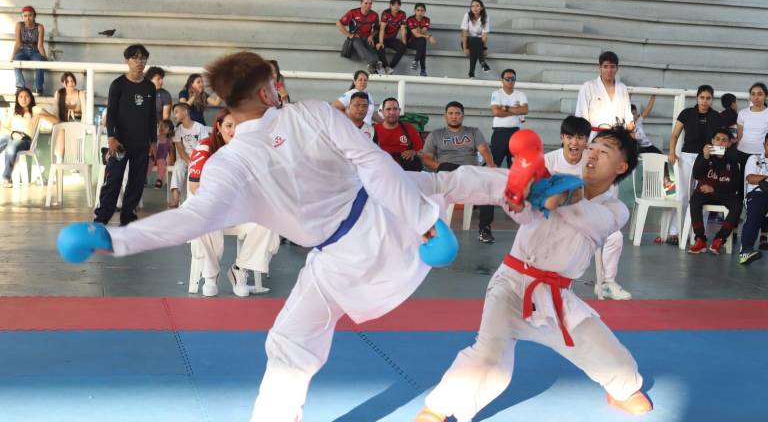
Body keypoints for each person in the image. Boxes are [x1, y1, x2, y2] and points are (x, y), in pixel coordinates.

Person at [62, 51, 515, 421]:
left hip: (342, 261)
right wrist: (424, 224)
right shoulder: (313, 113)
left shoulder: (229, 164)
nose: (279, 89)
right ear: (266, 90)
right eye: (275, 82)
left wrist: (114, 239)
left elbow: (190, 220)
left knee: (290, 345)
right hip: (389, 221)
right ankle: (525, 187)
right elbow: (377, 166)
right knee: (444, 184)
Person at [416, 126, 651, 422]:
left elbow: (590, 220)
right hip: (511, 286)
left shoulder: (616, 209)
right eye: (592, 148)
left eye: (604, 152)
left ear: (621, 167)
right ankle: (437, 409)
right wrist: (522, 194)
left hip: (557, 299)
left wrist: (558, 195)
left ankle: (622, 391)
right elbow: (521, 212)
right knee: (490, 359)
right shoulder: (553, 183)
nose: (592, 154)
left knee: (620, 368)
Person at [188, 109, 279, 297]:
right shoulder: (204, 148)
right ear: (219, 127)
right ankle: (210, 275)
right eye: (229, 126)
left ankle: (241, 269)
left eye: (238, 126)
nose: (234, 131)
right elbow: (194, 187)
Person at [544, 116, 632, 300]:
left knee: (615, 237)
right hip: (554, 219)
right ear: (562, 138)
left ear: (586, 141)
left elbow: (604, 198)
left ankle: (607, 282)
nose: (574, 142)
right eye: (569, 137)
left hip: (586, 217)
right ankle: (554, 283)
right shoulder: (548, 162)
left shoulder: (593, 162)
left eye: (580, 138)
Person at [93, 44, 156, 226]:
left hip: (142, 143)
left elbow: (152, 117)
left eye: (143, 58)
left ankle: (128, 217)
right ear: (127, 61)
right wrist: (111, 137)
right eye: (135, 58)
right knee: (113, 180)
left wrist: (153, 141)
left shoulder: (150, 87)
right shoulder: (118, 85)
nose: (139, 61)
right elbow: (111, 113)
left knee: (136, 183)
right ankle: (101, 218)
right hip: (120, 143)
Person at [421, 101, 497, 243]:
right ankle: (432, 229)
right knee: (446, 167)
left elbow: (484, 150)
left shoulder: (473, 132)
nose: (454, 116)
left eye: (457, 113)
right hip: (447, 175)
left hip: (470, 173)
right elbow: (426, 159)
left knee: (487, 189)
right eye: (450, 113)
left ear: (462, 116)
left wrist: (491, 165)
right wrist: (441, 165)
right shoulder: (436, 135)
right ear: (445, 116)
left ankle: (484, 229)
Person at [668, 85, 724, 244]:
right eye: (702, 98)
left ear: (712, 100)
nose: (705, 101)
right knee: (683, 195)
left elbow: (721, 138)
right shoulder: (687, 113)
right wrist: (672, 151)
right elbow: (674, 135)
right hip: (686, 157)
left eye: (708, 98)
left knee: (703, 195)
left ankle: (698, 233)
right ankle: (675, 231)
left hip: (707, 158)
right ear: (697, 98)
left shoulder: (716, 117)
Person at [686, 128, 741, 254]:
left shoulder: (732, 160)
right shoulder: (704, 155)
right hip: (704, 193)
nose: (720, 142)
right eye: (717, 139)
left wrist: (715, 188)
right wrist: (705, 157)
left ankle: (720, 239)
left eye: (724, 140)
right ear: (712, 141)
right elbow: (697, 175)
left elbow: (735, 185)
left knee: (737, 205)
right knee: (695, 200)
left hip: (723, 194)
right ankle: (700, 239)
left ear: (728, 144)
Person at [0, 87, 58, 187]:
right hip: (12, 136)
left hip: (25, 140)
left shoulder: (36, 109)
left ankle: (6, 179)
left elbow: (55, 120)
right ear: (17, 99)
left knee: (11, 147)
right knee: (4, 140)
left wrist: (40, 115)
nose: (23, 99)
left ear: (31, 98)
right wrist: (12, 134)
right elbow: (4, 127)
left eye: (26, 96)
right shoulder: (14, 112)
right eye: (21, 97)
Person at [575, 51, 634, 133]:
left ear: (617, 68)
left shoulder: (622, 88)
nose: (609, 70)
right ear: (599, 67)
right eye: (605, 66)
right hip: (595, 136)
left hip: (618, 137)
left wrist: (631, 126)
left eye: (612, 67)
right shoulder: (588, 87)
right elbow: (581, 116)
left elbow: (628, 116)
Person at [169, 103, 207, 207]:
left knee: (197, 169)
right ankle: (176, 199)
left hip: (198, 158)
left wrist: (195, 162)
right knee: (178, 168)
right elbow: (181, 151)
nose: (174, 115)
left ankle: (193, 200)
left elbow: (203, 148)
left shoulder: (200, 127)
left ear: (185, 112)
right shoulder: (178, 131)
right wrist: (189, 162)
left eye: (176, 112)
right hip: (184, 158)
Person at [489, 68, 528, 168]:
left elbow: (525, 110)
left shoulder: (521, 94)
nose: (510, 81)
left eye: (512, 79)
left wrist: (506, 108)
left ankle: (513, 183)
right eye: (507, 79)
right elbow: (496, 112)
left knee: (514, 164)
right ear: (502, 80)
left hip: (515, 133)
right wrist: (516, 110)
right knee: (495, 162)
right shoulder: (496, 93)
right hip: (499, 133)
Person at [373, 97, 423, 170]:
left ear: (399, 111)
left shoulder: (409, 128)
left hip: (405, 172)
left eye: (395, 109)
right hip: (381, 170)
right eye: (388, 109)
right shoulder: (373, 130)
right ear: (382, 112)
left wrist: (414, 152)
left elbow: (422, 152)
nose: (392, 112)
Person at [740, 133, 768, 265]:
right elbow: (750, 178)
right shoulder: (754, 158)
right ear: (764, 145)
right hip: (756, 194)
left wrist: (762, 179)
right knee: (756, 211)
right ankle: (746, 251)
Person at [336, 0, 382, 74]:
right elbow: (338, 23)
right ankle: (374, 63)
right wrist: (349, 35)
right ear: (361, 3)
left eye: (370, 3)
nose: (368, 5)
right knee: (360, 47)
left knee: (371, 47)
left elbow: (377, 29)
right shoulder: (353, 12)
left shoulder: (374, 15)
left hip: (367, 37)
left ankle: (372, 66)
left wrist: (372, 35)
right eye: (366, 3)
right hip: (355, 37)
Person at [736, 83, 768, 196]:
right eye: (753, 94)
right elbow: (739, 136)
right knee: (741, 183)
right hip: (742, 153)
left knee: (760, 184)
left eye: (760, 94)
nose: (756, 97)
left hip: (760, 154)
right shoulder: (743, 113)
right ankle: (740, 211)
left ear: (766, 96)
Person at [11, 6, 46, 95]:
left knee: (40, 61)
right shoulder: (19, 25)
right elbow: (18, 43)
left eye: (30, 15)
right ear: (22, 17)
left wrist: (44, 57)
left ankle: (38, 88)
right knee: (16, 60)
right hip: (22, 51)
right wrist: (12, 56)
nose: (28, 18)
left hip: (34, 51)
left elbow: (40, 45)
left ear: (34, 16)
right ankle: (20, 86)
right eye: (25, 15)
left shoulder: (39, 27)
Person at [51, 72, 86, 161]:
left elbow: (85, 111)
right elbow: (55, 110)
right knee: (61, 131)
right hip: (63, 121)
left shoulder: (80, 93)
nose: (71, 83)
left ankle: (75, 160)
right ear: (63, 83)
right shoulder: (59, 93)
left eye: (72, 81)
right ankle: (60, 159)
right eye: (68, 81)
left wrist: (83, 125)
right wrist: (57, 124)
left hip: (76, 121)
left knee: (70, 133)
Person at [461, 0, 491, 78]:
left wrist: (484, 47)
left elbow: (484, 35)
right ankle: (482, 62)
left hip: (479, 43)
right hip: (467, 42)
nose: (475, 8)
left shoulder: (486, 17)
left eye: (477, 6)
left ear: (481, 8)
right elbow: (464, 33)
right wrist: (464, 48)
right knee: (474, 39)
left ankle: (471, 74)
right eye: (472, 6)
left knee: (476, 40)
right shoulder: (467, 15)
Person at [406, 3, 437, 77]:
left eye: (422, 11)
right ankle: (422, 69)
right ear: (414, 11)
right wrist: (429, 37)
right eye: (418, 10)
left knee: (422, 41)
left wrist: (419, 30)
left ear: (424, 11)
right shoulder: (410, 19)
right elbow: (416, 34)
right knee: (423, 42)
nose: (420, 13)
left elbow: (422, 32)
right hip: (410, 42)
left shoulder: (427, 19)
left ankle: (416, 62)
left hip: (419, 42)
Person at [147, 119, 172, 189]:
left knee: (162, 162)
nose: (162, 128)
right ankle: (145, 178)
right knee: (149, 162)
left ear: (169, 131)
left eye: (165, 126)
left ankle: (159, 179)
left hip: (161, 160)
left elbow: (171, 152)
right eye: (160, 126)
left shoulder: (168, 141)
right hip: (153, 158)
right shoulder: (154, 139)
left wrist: (172, 162)